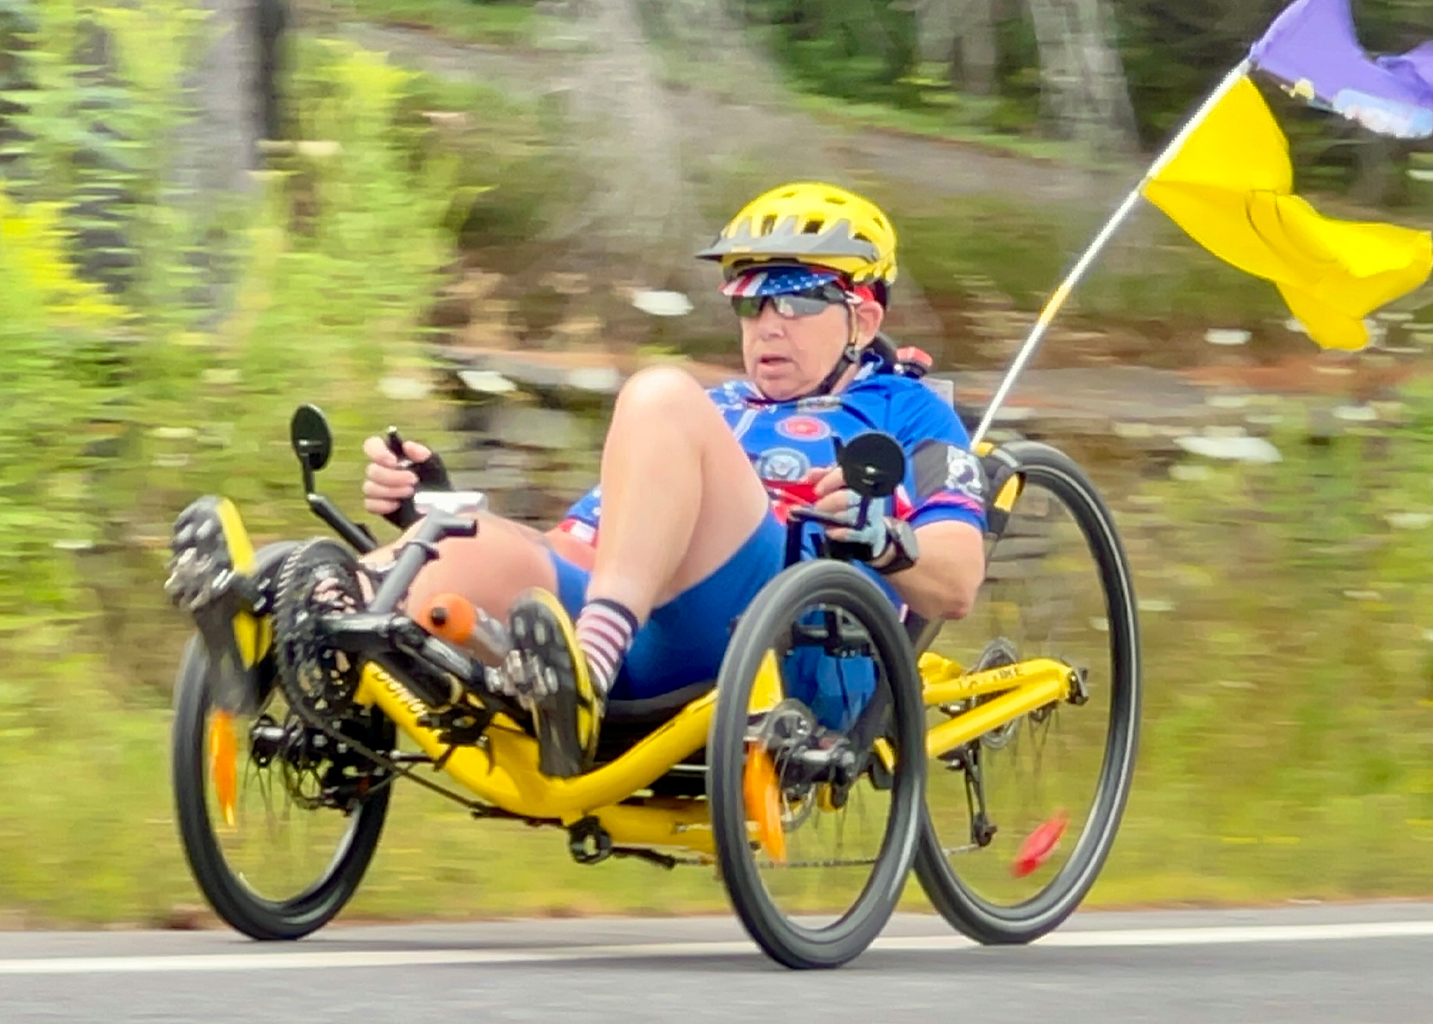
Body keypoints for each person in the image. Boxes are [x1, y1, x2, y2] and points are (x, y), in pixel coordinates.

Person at [350, 181, 991, 777]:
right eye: (751, 302)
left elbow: (957, 581)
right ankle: (310, 617)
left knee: (658, 392)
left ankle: (588, 669)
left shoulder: (910, 412)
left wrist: (881, 538)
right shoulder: (714, 410)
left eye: (797, 299)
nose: (768, 323)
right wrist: (436, 511)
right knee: (462, 546)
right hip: (643, 641)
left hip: (786, 652)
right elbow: (576, 546)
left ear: (864, 320)